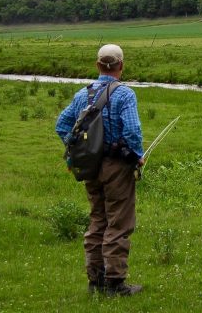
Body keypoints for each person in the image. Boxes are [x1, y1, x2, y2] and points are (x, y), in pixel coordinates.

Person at [56, 44, 144, 296]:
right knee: (118, 222)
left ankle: (95, 280)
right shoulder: (125, 95)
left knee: (97, 219)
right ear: (121, 66)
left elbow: (62, 125)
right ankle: (115, 283)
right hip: (117, 166)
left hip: (91, 166)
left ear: (97, 66)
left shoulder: (82, 95)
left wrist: (81, 152)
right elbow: (132, 132)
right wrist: (137, 157)